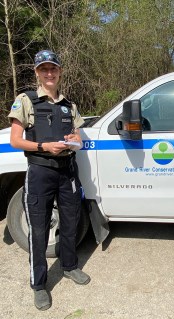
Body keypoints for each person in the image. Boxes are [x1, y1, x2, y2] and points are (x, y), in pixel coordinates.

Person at [8, 50, 90, 311]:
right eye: (44, 69)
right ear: (37, 73)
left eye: (53, 68)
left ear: (60, 71)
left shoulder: (70, 104)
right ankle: (39, 285)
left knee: (70, 222)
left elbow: (78, 137)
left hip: (67, 170)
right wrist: (44, 146)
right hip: (40, 171)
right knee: (39, 229)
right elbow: (16, 140)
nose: (49, 73)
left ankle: (69, 266)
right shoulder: (26, 100)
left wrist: (72, 142)